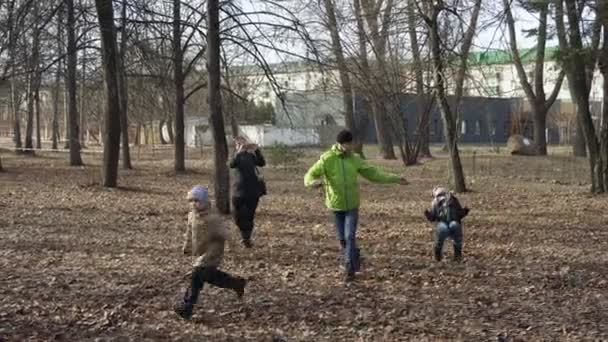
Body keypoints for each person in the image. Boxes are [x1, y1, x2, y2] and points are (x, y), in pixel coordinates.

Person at [304, 130, 408, 282]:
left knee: (350, 236)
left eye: (351, 143)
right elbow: (309, 175)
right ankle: (355, 256)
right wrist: (312, 183)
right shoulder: (326, 159)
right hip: (335, 205)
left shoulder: (355, 159)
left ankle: (349, 269)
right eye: (347, 144)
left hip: (352, 205)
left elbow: (374, 174)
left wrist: (396, 178)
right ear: (339, 144)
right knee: (343, 240)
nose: (350, 147)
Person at [174, 185, 247, 320]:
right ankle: (236, 283)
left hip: (213, 251)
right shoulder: (192, 216)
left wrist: (234, 249)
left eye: (197, 201)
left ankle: (187, 307)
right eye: (191, 201)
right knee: (208, 276)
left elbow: (226, 234)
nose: (194, 204)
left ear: (205, 201)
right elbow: (189, 233)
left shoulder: (214, 218)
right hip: (200, 251)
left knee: (197, 274)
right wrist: (187, 247)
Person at [229, 136, 266, 248]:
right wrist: (238, 152)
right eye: (238, 144)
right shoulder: (236, 156)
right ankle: (243, 233)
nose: (242, 146)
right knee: (237, 216)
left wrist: (257, 150)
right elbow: (231, 164)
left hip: (252, 190)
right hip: (238, 191)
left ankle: (246, 238)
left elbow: (262, 163)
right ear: (236, 146)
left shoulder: (251, 156)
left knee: (250, 216)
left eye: (243, 144)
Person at [423, 186, 470, 262]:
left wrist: (427, 214)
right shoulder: (453, 199)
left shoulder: (436, 201)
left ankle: (438, 254)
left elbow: (432, 218)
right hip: (451, 222)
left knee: (442, 234)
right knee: (455, 234)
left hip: (443, 223)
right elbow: (460, 214)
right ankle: (457, 254)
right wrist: (465, 210)